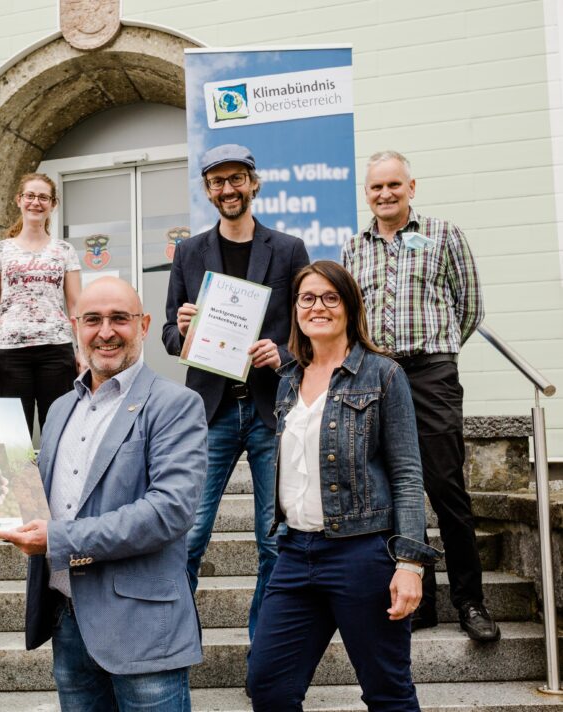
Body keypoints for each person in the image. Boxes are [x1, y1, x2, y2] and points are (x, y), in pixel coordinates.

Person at [0, 277, 208, 712]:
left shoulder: (175, 404)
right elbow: (35, 494)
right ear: (76, 326)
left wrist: (58, 540)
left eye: (119, 319)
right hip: (67, 619)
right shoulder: (58, 409)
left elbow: (169, 511)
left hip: (141, 624)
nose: (105, 331)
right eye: (92, 319)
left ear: (144, 325)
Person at [247, 261, 441, 710]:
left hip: (363, 554)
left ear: (350, 306)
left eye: (330, 297)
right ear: (295, 310)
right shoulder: (288, 380)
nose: (319, 307)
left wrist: (411, 564)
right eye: (307, 298)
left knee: (387, 692)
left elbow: (409, 474)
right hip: (294, 554)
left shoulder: (383, 375)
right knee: (268, 686)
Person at [342, 150, 499, 642]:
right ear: (366, 193)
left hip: (431, 371)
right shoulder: (353, 248)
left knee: (446, 487)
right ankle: (422, 601)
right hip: (379, 374)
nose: (384, 194)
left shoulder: (444, 235)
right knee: (391, 490)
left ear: (412, 186)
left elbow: (469, 305)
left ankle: (470, 602)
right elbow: (353, 317)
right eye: (375, 187)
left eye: (393, 185)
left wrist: (439, 352)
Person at [163, 144, 310, 638]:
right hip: (211, 411)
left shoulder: (288, 249)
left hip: (273, 410)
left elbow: (307, 326)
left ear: (253, 182)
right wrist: (183, 329)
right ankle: (177, 643)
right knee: (189, 538)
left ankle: (262, 652)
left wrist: (285, 355)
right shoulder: (188, 252)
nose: (227, 189)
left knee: (274, 544)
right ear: (207, 190)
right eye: (217, 182)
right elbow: (166, 333)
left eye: (235, 180)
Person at [0, 172, 82, 436]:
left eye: (43, 197)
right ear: (19, 200)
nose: (36, 202)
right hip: (10, 354)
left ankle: (55, 479)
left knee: (59, 432)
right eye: (30, 196)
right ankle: (18, 480)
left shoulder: (65, 251)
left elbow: (76, 305)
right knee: (14, 437)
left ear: (53, 204)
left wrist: (83, 351)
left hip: (57, 351)